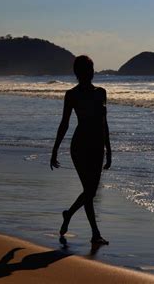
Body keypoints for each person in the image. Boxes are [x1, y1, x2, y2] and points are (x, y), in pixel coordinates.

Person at [50, 55, 111, 245]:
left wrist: (109, 150)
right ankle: (95, 233)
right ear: (78, 73)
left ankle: (69, 215)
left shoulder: (101, 92)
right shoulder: (72, 95)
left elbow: (104, 123)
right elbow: (65, 124)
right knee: (90, 191)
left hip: (97, 146)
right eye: (86, 70)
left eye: (92, 69)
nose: (90, 73)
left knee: (90, 191)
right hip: (80, 145)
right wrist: (55, 150)